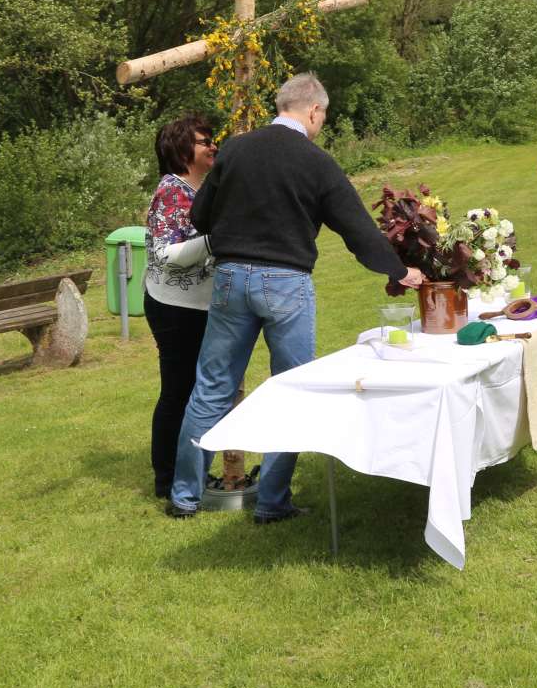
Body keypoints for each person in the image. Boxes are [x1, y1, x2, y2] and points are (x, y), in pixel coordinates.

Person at [169, 73, 426, 521]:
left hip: (230, 279)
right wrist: (399, 270)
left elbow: (200, 215)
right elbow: (355, 227)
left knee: (210, 388)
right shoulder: (315, 161)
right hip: (285, 283)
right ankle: (271, 503)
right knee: (291, 390)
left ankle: (184, 497)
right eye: (323, 116)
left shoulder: (235, 148)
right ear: (313, 111)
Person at [143, 115, 216, 499]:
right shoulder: (173, 191)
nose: (214, 146)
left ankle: (191, 472)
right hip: (174, 308)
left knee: (189, 389)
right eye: (206, 141)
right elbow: (166, 254)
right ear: (183, 149)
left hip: (194, 306)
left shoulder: (196, 188)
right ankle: (168, 477)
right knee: (178, 390)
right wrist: (215, 241)